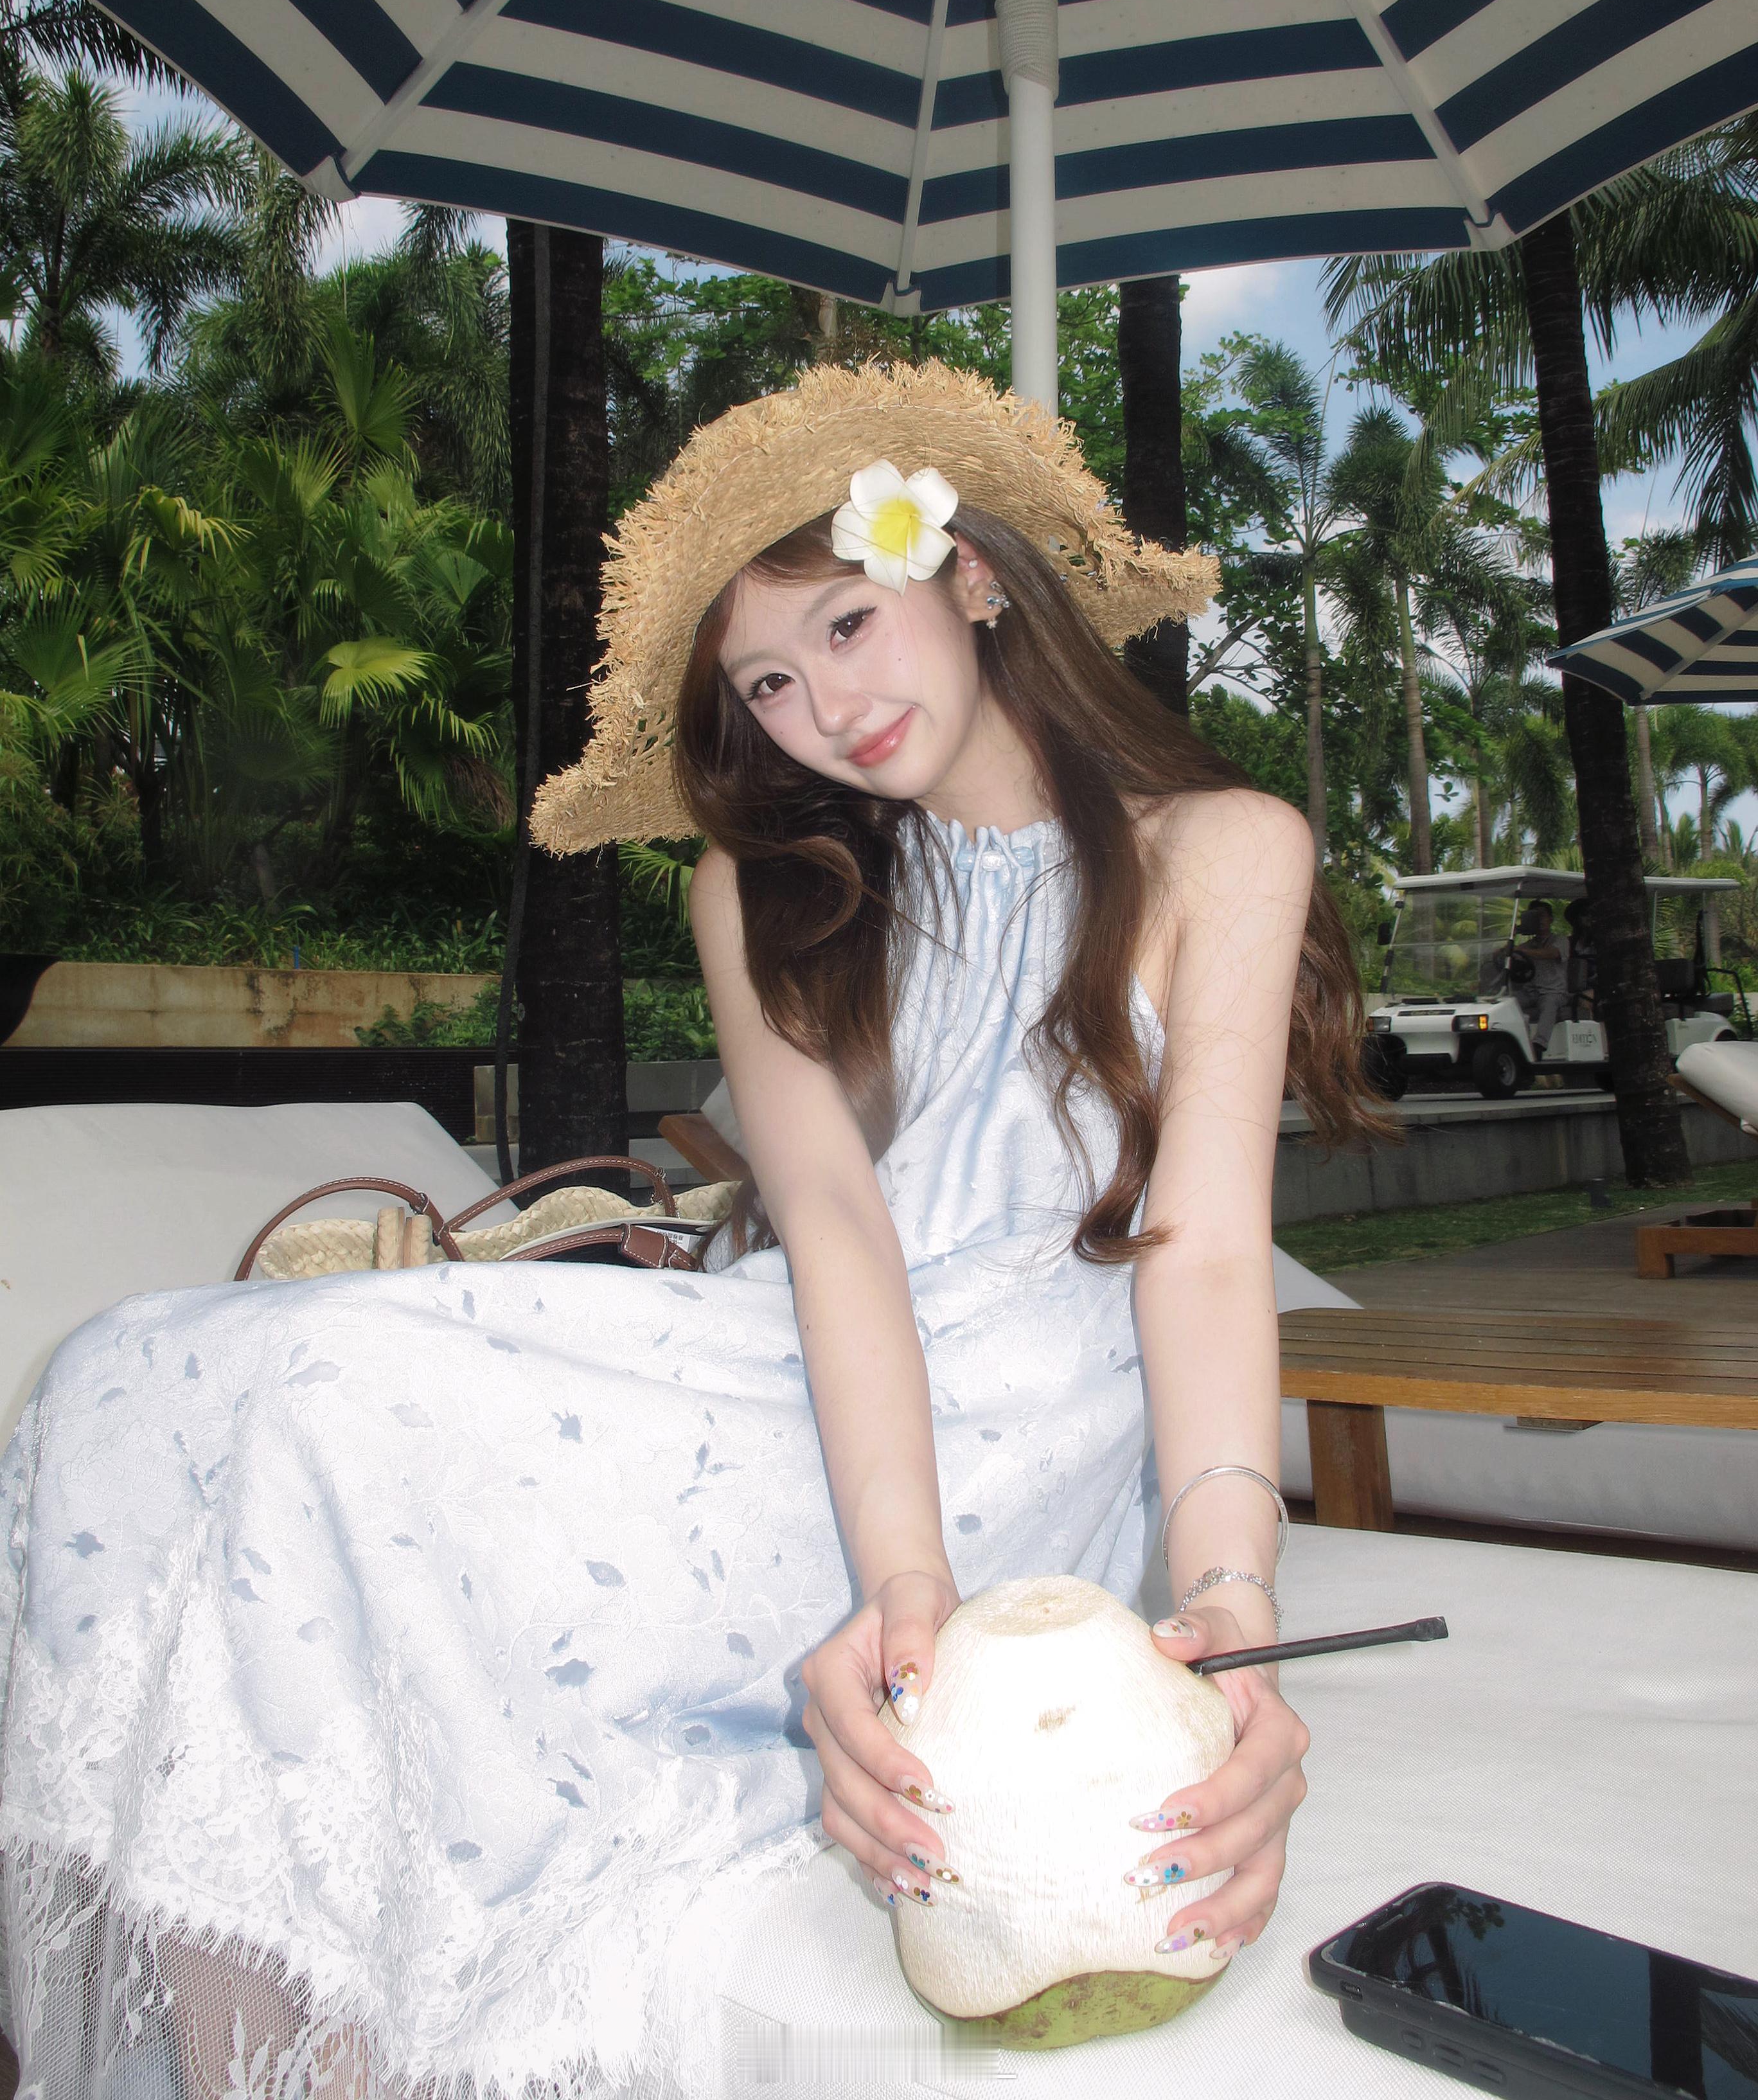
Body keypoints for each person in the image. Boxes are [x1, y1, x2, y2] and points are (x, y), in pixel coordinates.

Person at [0, 364, 1387, 2099]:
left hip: (1030, 1414)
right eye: (768, 685)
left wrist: (1228, 1607)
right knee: (137, 1374)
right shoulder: (766, 891)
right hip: (817, 1380)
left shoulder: (1226, 849)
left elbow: (1207, 1249)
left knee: (311, 1407)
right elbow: (831, 1229)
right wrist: (903, 1585)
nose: (823, 710)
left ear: (968, 574)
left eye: (845, 625)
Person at [1509, 899, 1568, 1056]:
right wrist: (1512, 937)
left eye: (1542, 915)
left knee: (1549, 1004)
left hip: (1554, 991)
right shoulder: (1528, 945)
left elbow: (1552, 953)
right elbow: (1502, 955)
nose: (1540, 920)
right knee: (1509, 1002)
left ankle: (1539, 1045)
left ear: (1551, 919)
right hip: (1530, 992)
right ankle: (1517, 1042)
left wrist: (1522, 951)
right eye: (1535, 916)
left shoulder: (1560, 940)